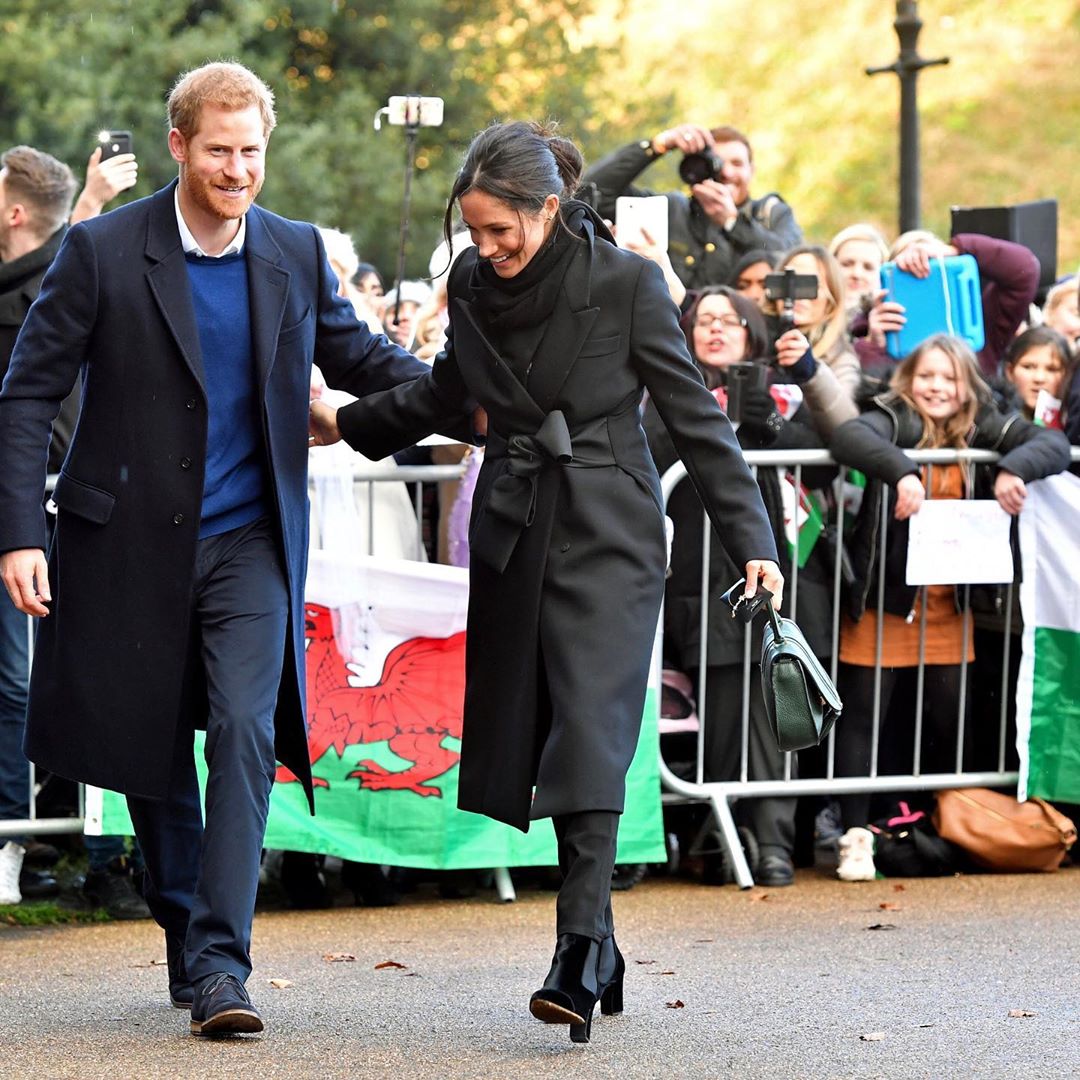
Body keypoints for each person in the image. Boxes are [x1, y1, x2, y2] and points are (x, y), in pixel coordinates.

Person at [0, 62, 451, 1035]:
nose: (237, 168)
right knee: (152, 756)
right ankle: (185, 932)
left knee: (246, 733)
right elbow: (28, 391)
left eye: (251, 151)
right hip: (124, 545)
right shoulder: (103, 251)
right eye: (218, 150)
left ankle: (220, 969)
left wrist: (456, 396)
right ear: (178, 147)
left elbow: (361, 358)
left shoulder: (293, 251)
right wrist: (16, 537)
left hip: (251, 544)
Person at [309, 120, 783, 1044]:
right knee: (555, 724)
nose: (489, 249)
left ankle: (573, 950)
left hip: (611, 527)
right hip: (517, 525)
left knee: (596, 725)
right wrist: (347, 421)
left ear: (550, 208)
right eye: (476, 232)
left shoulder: (629, 283)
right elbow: (447, 393)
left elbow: (694, 417)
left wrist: (749, 538)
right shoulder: (473, 289)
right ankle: (597, 940)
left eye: (503, 231)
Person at [829, 334, 1070, 877]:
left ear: (967, 386)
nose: (936, 387)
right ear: (908, 379)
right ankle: (855, 833)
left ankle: (940, 826)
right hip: (884, 606)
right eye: (926, 376)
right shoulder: (890, 416)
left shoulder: (984, 422)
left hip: (948, 607)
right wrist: (902, 471)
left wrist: (1014, 469)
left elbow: (1051, 445)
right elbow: (848, 437)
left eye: (948, 378)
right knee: (865, 720)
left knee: (948, 722)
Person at [644, 286, 853, 887]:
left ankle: (773, 846)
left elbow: (827, 460)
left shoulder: (783, 393)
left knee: (779, 701)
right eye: (703, 320)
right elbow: (654, 457)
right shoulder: (664, 391)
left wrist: (764, 429)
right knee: (725, 715)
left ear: (752, 332)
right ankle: (724, 842)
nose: (715, 329)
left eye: (729, 319)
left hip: (777, 579)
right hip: (699, 583)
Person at [0, 143, 140, 909]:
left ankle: (101, 856)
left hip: (80, 508)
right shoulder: (62, 262)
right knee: (39, 684)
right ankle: (38, 843)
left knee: (89, 681)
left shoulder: (71, 265)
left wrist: (86, 203)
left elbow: (65, 257)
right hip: (31, 513)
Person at [581, 124, 802, 290]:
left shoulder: (770, 213)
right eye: (717, 163)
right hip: (672, 339)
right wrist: (657, 145)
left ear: (751, 170)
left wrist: (732, 223)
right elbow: (591, 191)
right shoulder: (672, 210)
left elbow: (790, 259)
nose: (726, 173)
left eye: (737, 163)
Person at [771, 245, 861, 397]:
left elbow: (844, 418)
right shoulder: (749, 340)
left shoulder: (840, 360)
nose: (796, 294)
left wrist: (811, 373)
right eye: (789, 281)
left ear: (831, 299)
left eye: (809, 284)